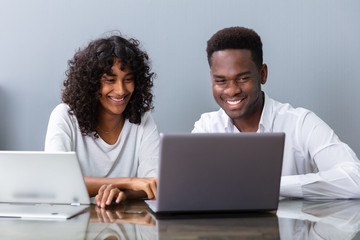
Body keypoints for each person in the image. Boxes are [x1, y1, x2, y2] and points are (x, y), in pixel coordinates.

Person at [192, 26, 360, 198]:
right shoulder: (206, 127)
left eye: (242, 78)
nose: (232, 90)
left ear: (263, 74)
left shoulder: (299, 123)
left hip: (291, 225)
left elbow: (355, 179)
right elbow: (191, 187)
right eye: (221, 81)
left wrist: (269, 185)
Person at [45, 34, 159, 207]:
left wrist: (122, 194)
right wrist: (127, 182)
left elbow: (152, 183)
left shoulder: (142, 120)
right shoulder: (65, 116)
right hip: (73, 226)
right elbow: (58, 183)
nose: (121, 90)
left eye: (128, 79)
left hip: (127, 225)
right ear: (91, 83)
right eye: (110, 80)